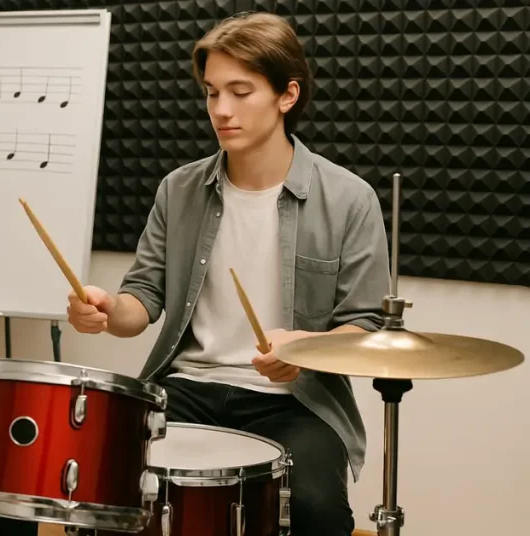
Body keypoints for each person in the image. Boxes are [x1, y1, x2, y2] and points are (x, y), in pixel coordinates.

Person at [67, 12, 390, 536]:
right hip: (188, 386)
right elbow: (141, 300)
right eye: (212, 92)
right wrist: (105, 311)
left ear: (287, 95)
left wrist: (303, 348)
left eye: (240, 92)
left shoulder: (350, 199)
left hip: (296, 402)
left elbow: (365, 329)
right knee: (107, 479)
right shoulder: (179, 189)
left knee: (315, 509)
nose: (221, 109)